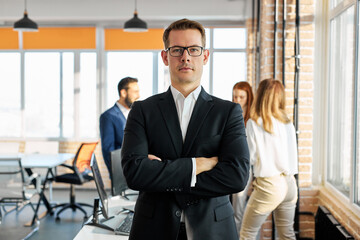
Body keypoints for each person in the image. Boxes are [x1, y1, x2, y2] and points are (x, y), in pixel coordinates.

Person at [121, 19, 250, 240]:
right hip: (153, 229)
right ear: (165, 57)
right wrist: (197, 165)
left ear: (205, 56)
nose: (185, 57)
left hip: (213, 230)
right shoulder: (142, 110)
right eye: (177, 50)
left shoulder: (228, 112)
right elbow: (135, 174)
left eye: (193, 49)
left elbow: (236, 177)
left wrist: (163, 174)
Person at [240, 79, 298, 240]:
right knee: (287, 234)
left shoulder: (254, 123)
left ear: (260, 96)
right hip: (290, 184)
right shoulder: (288, 123)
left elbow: (249, 158)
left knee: (247, 234)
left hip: (269, 185)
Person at [99, 77, 140, 175]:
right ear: (123, 93)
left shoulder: (136, 114)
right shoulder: (108, 116)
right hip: (124, 173)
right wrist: (117, 175)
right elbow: (109, 151)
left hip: (139, 169)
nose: (138, 96)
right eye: (135, 92)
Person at [231, 81, 254, 235]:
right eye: (235, 96)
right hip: (233, 165)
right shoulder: (232, 115)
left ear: (248, 98)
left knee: (241, 210)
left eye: (241, 97)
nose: (237, 100)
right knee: (234, 209)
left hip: (249, 168)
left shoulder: (253, 120)